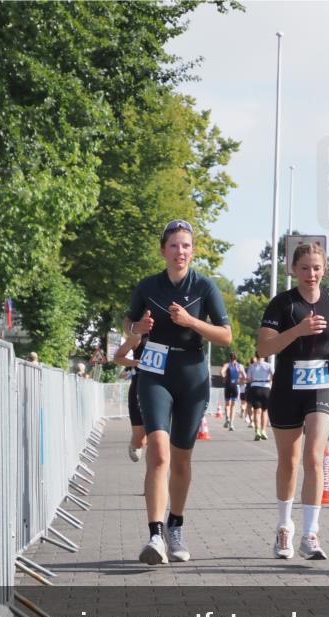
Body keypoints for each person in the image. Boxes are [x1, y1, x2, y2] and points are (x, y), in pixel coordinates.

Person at [123, 219, 232, 565]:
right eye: (173, 245)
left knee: (182, 458)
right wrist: (136, 328)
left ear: (192, 251)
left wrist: (191, 322)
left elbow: (226, 336)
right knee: (158, 449)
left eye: (185, 245)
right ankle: (155, 535)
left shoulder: (204, 286)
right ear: (163, 250)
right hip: (155, 371)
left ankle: (176, 525)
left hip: (192, 374)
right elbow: (127, 324)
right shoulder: (148, 285)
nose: (179, 251)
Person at [258, 242, 329, 561]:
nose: (311, 274)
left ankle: (310, 534)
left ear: (324, 269)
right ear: (294, 270)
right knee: (288, 461)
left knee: (313, 455)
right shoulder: (282, 304)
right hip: (286, 386)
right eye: (304, 268)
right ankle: (284, 528)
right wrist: (298, 330)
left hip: (323, 385)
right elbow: (264, 348)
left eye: (316, 268)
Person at [113, 333, 148, 462]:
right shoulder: (138, 336)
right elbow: (117, 358)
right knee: (140, 440)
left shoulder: (168, 335)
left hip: (161, 388)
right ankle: (135, 443)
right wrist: (133, 363)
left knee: (157, 439)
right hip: (139, 387)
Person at [246, 350, 274, 441]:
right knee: (264, 411)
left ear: (255, 356)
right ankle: (263, 431)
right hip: (266, 388)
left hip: (255, 388)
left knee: (257, 411)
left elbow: (249, 379)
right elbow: (274, 376)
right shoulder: (268, 365)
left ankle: (257, 430)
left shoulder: (252, 366)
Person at [220, 353, 245, 431]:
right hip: (235, 386)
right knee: (233, 406)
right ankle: (231, 424)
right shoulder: (240, 366)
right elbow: (245, 376)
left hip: (228, 385)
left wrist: (225, 377)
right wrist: (240, 380)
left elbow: (221, 372)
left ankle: (227, 418)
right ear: (236, 358)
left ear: (230, 358)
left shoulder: (227, 365)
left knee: (227, 404)